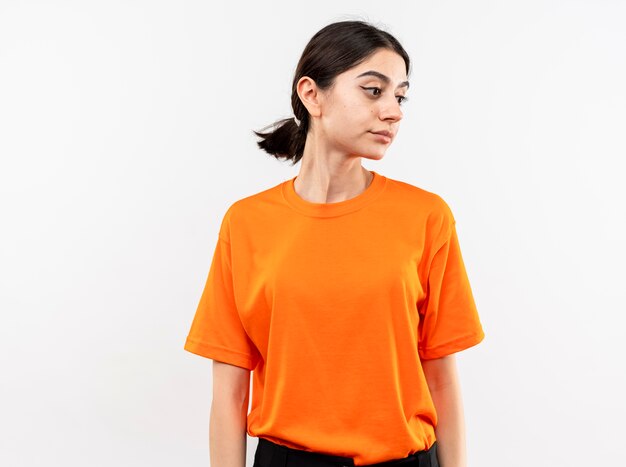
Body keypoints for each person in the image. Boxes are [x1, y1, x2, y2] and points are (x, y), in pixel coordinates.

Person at [184, 20, 485, 467]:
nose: (393, 111)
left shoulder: (426, 217)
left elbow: (441, 376)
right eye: (373, 90)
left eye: (400, 96)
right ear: (312, 94)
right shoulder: (246, 223)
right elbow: (229, 390)